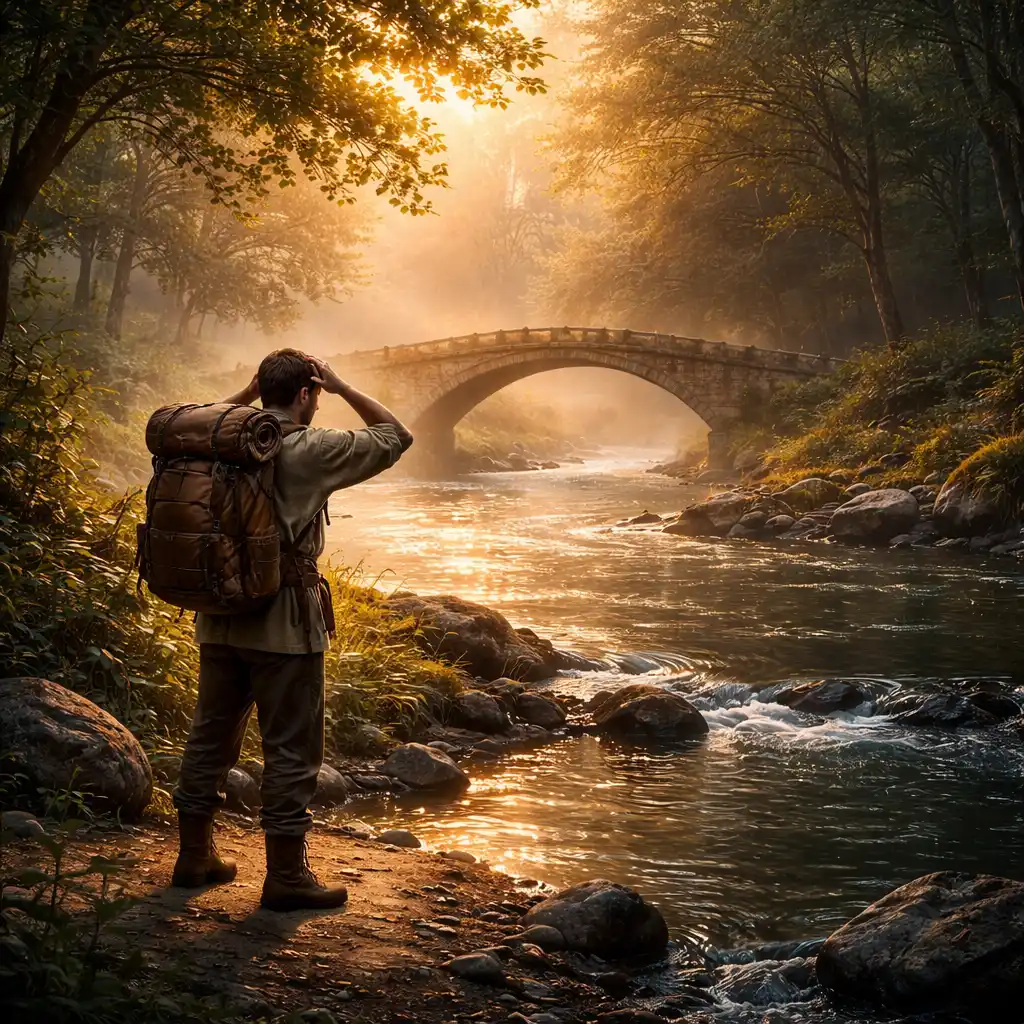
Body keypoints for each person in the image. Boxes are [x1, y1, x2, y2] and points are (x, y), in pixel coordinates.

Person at [170, 349, 413, 911]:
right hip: (284, 623)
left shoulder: (217, 440)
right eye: (317, 392)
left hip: (220, 614)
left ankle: (194, 855)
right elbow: (395, 436)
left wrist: (243, 397)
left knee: (210, 735)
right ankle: (285, 876)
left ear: (262, 388)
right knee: (291, 750)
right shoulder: (309, 447)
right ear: (307, 392)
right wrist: (345, 385)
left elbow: (184, 425)